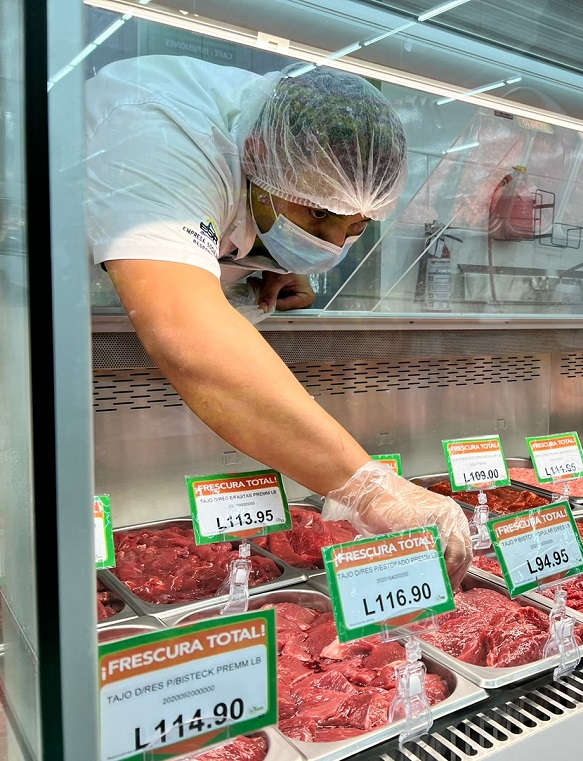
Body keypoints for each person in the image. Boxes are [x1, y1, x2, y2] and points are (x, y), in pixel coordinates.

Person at [85, 55, 471, 585]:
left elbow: (241, 221)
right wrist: (368, 488)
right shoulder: (162, 131)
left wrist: (273, 257)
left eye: (355, 226)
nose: (334, 243)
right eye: (317, 217)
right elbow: (184, 335)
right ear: (259, 156)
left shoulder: (289, 154)